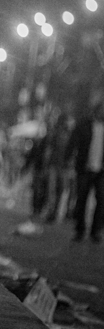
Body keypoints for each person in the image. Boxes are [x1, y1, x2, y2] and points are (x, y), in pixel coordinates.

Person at [64, 102, 104, 243]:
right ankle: (79, 230)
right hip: (85, 168)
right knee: (81, 199)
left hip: (101, 170)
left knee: (101, 200)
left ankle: (96, 231)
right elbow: (73, 142)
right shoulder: (84, 125)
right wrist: (68, 159)